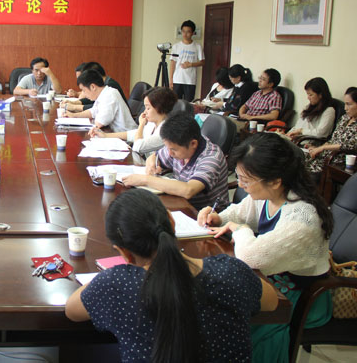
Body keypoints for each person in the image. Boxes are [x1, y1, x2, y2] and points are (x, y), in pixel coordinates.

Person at [65, 189, 278, 363]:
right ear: (171, 222)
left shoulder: (116, 285)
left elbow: (72, 311)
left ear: (124, 253)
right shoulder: (231, 272)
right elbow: (272, 302)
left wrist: (107, 278)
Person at [198, 133, 333, 363]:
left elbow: (250, 256)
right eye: (239, 177)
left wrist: (240, 229)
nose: (241, 185)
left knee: (235, 322)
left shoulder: (303, 217)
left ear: (275, 180)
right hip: (270, 277)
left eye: (245, 180)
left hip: (301, 295)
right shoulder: (269, 194)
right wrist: (217, 217)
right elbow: (239, 212)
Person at [122, 112, 229, 211]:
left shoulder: (211, 158)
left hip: (206, 215)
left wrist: (145, 180)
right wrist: (153, 162)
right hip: (180, 203)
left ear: (193, 144)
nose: (169, 153)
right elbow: (156, 157)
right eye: (168, 148)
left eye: (173, 149)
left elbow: (189, 190)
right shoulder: (178, 144)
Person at [94, 87, 177, 163]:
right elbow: (134, 134)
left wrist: (141, 125)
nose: (145, 112)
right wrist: (106, 135)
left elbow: (137, 147)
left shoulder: (165, 131)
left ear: (159, 107)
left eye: (148, 108)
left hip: (156, 169)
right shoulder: (153, 123)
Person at [64, 69, 137, 134]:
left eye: (84, 90)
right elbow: (93, 111)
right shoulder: (103, 94)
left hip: (127, 139)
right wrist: (74, 115)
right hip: (114, 134)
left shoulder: (110, 95)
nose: (84, 95)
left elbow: (99, 123)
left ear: (93, 87)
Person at [306, 87, 357, 175]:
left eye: (349, 104)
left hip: (336, 160)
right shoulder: (345, 118)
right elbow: (333, 139)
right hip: (324, 155)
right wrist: (318, 148)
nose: (345, 108)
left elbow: (348, 145)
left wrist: (323, 148)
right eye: (345, 104)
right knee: (295, 159)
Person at [63, 62, 128, 112]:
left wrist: (74, 107)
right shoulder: (103, 85)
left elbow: (97, 107)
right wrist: (74, 103)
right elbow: (92, 101)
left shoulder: (110, 87)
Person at [287, 77, 335, 142]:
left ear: (320, 95)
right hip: (297, 140)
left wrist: (301, 131)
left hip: (309, 143)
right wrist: (287, 134)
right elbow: (297, 126)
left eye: (311, 95)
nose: (308, 98)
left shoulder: (329, 111)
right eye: (307, 94)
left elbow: (320, 133)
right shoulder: (308, 107)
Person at [170, 20, 205, 101]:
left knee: (188, 103)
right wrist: (171, 79)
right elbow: (173, 63)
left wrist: (191, 64)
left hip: (190, 80)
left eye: (188, 32)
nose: (185, 34)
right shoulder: (176, 46)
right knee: (175, 102)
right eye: (183, 31)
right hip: (177, 79)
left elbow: (202, 62)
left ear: (193, 33)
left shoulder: (197, 46)